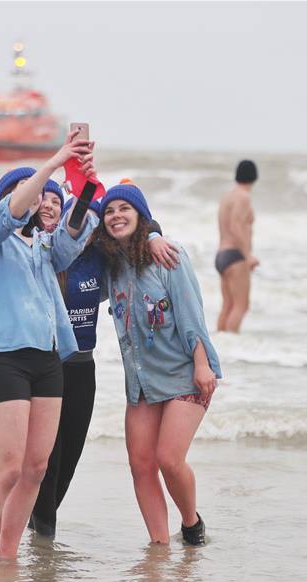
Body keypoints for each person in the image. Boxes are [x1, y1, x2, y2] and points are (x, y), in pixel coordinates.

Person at [0, 132, 96, 564]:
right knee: (8, 468)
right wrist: (54, 162)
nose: (40, 199)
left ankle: (6, 559)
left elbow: (73, 235)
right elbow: (12, 211)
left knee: (36, 469)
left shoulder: (42, 247)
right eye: (30, 191)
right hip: (4, 360)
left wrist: (85, 185)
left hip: (47, 361)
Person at [29, 180, 182, 538]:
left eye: (58, 200)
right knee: (47, 460)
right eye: (45, 201)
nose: (84, 226)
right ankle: (43, 540)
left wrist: (153, 235)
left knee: (69, 460)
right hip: (44, 366)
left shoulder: (100, 256)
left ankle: (35, 529)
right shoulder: (42, 252)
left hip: (83, 367)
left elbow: (128, 221)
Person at [94, 182, 221, 546]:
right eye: (109, 211)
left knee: (168, 459)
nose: (116, 216)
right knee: (140, 464)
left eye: (125, 209)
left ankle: (191, 523)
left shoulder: (168, 255)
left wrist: (202, 364)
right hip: (141, 382)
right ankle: (159, 545)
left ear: (142, 216)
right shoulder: (110, 267)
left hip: (186, 373)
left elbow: (191, 313)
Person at [215, 160, 259, 333]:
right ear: (254, 176)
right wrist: (247, 256)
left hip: (222, 254)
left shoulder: (228, 196)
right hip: (236, 255)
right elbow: (236, 226)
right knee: (241, 306)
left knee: (228, 305)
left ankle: (221, 344)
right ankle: (232, 344)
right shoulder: (244, 197)